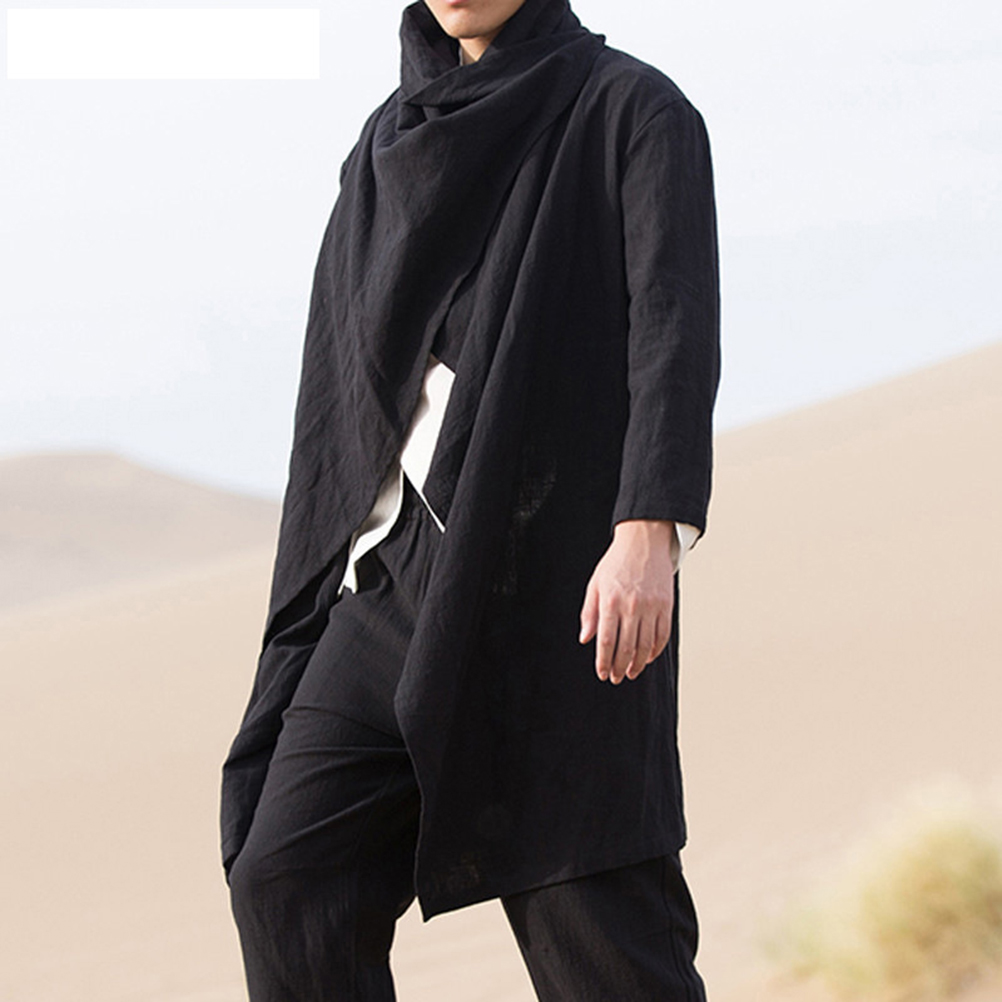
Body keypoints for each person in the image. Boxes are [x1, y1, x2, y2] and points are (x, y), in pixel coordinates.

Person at [220, 0, 720, 998]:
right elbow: (340, 376)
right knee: (288, 878)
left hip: (556, 585)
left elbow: (672, 327)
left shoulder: (631, 110)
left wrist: (649, 531)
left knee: (599, 944)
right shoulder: (386, 145)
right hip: (389, 579)